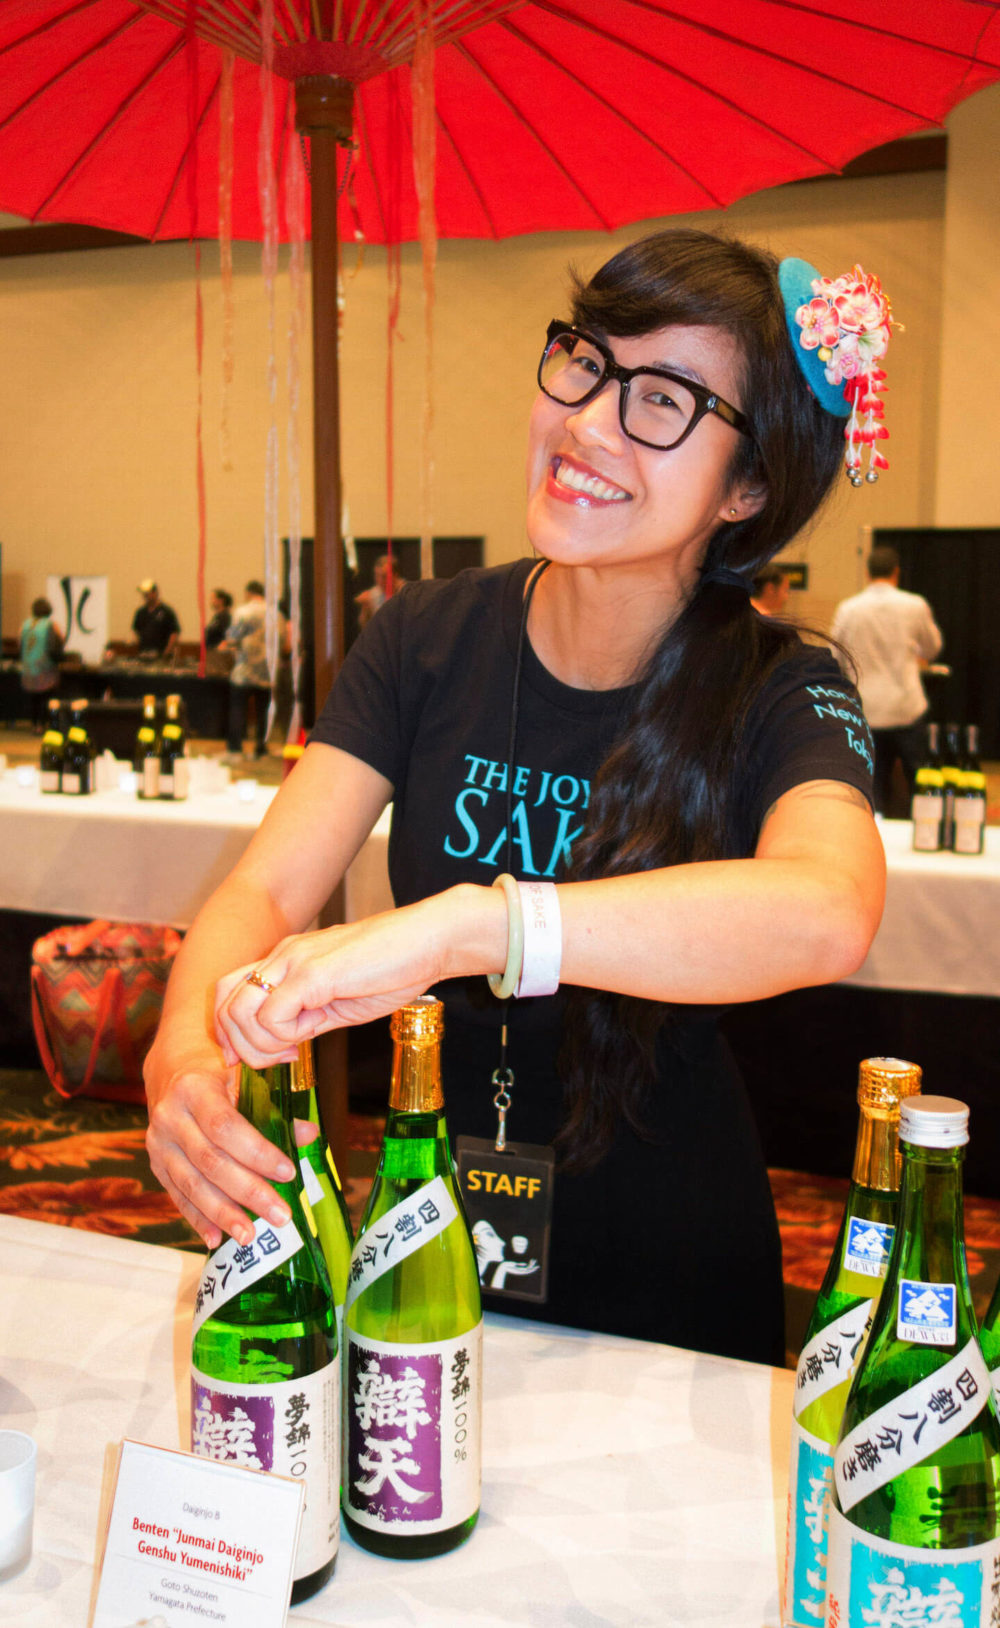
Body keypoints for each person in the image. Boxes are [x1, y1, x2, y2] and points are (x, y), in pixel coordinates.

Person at [145, 229, 888, 1367]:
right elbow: (268, 890)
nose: (587, 422)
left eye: (662, 400)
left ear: (748, 486)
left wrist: (476, 925)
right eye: (584, 361)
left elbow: (828, 908)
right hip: (424, 1219)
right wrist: (183, 1048)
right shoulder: (425, 636)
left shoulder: (782, 684)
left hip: (671, 1262)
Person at [830, 544, 943, 816]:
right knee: (919, 780)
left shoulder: (849, 608)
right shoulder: (915, 605)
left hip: (867, 709)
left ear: (867, 573)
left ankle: (875, 830)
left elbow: (834, 655)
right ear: (896, 572)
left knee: (871, 784)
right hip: (906, 707)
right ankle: (923, 828)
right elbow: (933, 648)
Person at [222, 580, 288, 761]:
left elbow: (232, 638)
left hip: (245, 668)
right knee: (263, 711)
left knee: (238, 708)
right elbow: (282, 640)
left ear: (249, 593)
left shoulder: (243, 612)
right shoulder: (277, 614)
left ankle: (235, 749)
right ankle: (260, 748)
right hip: (267, 670)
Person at [19, 596, 63, 732]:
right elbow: (57, 644)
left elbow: (20, 644)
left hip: (28, 668)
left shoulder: (25, 625)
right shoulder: (50, 625)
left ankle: (34, 724)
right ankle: (43, 724)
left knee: (34, 699)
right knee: (46, 698)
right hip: (45, 668)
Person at [131, 580, 180, 659]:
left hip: (161, 655)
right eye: (144, 593)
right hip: (144, 655)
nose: (145, 596)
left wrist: (167, 652)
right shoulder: (140, 612)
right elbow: (136, 631)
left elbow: (174, 633)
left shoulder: (166, 611)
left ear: (155, 593)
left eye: (147, 593)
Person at [355, 554, 404, 630]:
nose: (380, 580)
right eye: (377, 575)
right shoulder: (373, 594)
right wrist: (365, 609)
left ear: (395, 576)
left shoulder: (407, 593)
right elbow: (365, 628)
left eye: (384, 576)